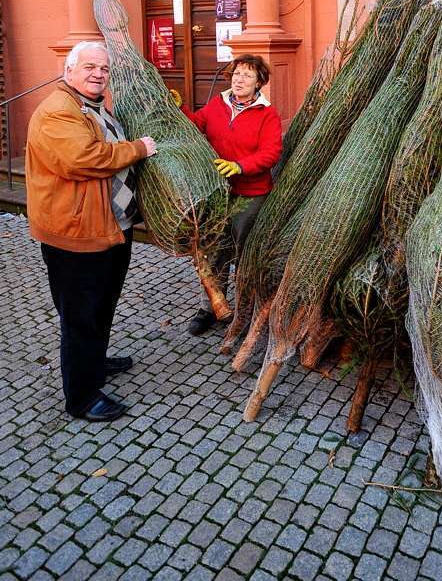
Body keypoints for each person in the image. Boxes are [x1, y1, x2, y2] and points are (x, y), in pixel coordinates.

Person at [26, 41, 157, 421]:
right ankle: (82, 397)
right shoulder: (57, 112)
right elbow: (82, 159)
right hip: (77, 234)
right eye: (89, 67)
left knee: (102, 304)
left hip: (109, 227)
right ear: (69, 71)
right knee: (81, 314)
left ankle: (95, 362)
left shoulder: (92, 107)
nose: (98, 74)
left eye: (103, 68)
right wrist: (138, 148)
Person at [170, 54, 282, 335]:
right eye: (236, 73)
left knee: (244, 253)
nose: (239, 79)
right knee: (215, 250)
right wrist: (179, 108)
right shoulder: (218, 104)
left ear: (259, 82)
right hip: (218, 192)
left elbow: (271, 152)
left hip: (250, 194)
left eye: (247, 75)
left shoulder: (267, 114)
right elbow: (197, 126)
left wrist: (239, 166)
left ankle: (245, 311)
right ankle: (209, 307)